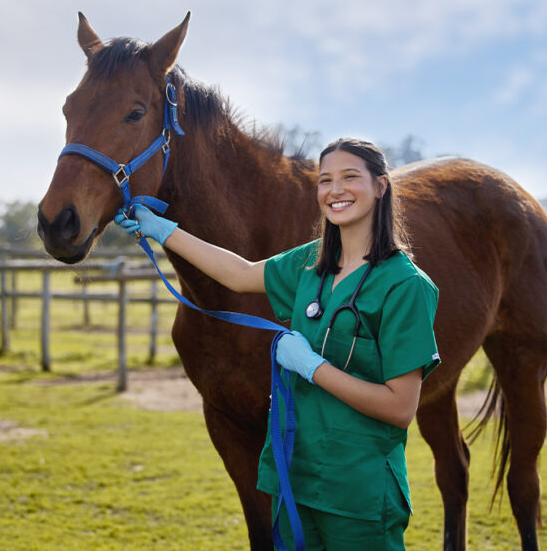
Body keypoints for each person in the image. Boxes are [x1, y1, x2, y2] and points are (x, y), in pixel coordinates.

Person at [116, 138, 440, 550]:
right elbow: (238, 273)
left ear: (380, 186)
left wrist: (312, 368)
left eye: (349, 177)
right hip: (292, 479)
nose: (335, 190)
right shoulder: (311, 263)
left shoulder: (405, 286)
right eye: (325, 180)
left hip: (357, 493)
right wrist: (163, 230)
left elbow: (399, 407)